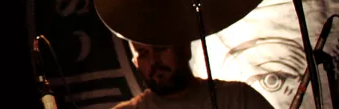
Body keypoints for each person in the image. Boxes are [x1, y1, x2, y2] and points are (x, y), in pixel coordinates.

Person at [112, 42, 275, 109]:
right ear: (135, 63)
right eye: (143, 53)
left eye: (160, 48)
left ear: (185, 49)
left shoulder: (238, 98)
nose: (154, 61)